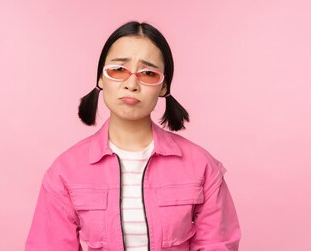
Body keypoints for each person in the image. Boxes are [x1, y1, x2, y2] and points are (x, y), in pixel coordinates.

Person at [24, 21, 241, 251]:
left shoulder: (201, 166)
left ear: (164, 86)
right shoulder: (64, 172)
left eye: (148, 73)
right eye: (118, 70)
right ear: (100, 78)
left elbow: (218, 245)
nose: (131, 84)